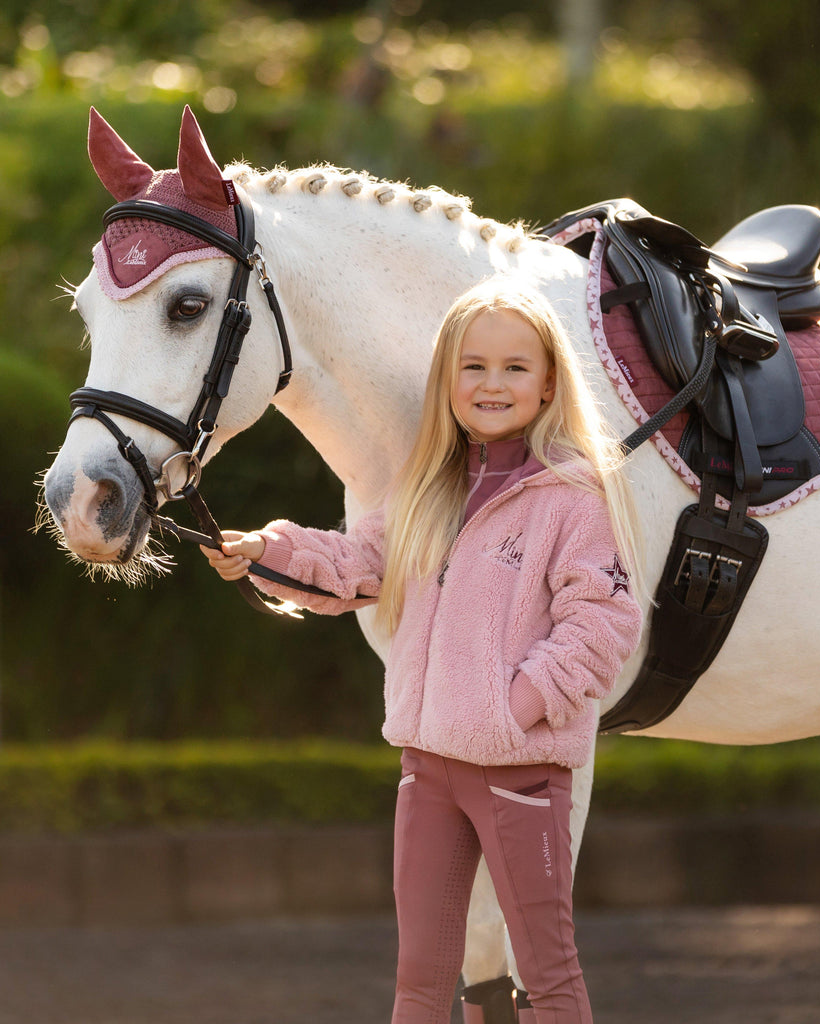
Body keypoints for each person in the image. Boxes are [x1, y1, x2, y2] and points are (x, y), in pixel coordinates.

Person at [203, 278, 646, 1024]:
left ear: (547, 383)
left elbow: (603, 622)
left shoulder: (574, 496)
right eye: (472, 366)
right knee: (418, 981)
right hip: (429, 769)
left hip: (520, 774)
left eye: (514, 367)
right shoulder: (427, 490)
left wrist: (517, 709)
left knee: (546, 975)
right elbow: (357, 564)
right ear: (446, 380)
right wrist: (264, 552)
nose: (492, 383)